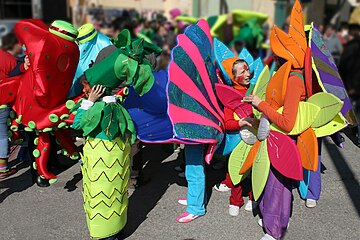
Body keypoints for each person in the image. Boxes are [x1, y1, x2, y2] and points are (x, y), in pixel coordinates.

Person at [219, 58, 257, 216]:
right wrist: (240, 122)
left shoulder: (256, 89)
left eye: (248, 70)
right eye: (243, 72)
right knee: (237, 169)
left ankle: (253, 198)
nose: (248, 74)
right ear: (233, 77)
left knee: (256, 170)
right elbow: (227, 123)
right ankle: (235, 201)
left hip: (257, 139)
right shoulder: (230, 96)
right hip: (238, 142)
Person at [0, 33, 30, 179]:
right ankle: (2, 168)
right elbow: (17, 72)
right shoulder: (6, 58)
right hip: (2, 100)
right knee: (2, 134)